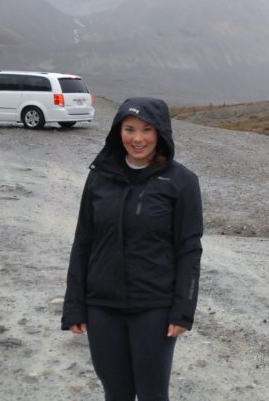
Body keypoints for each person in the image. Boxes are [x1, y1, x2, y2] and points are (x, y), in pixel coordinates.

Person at [62, 97, 203, 401]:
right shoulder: (100, 176)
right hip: (102, 306)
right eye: (129, 129)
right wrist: (74, 304)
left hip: (153, 307)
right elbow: (83, 240)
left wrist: (183, 310)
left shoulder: (181, 182)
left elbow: (189, 250)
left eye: (146, 130)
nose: (137, 139)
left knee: (152, 394)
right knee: (116, 392)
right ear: (118, 132)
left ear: (161, 133)